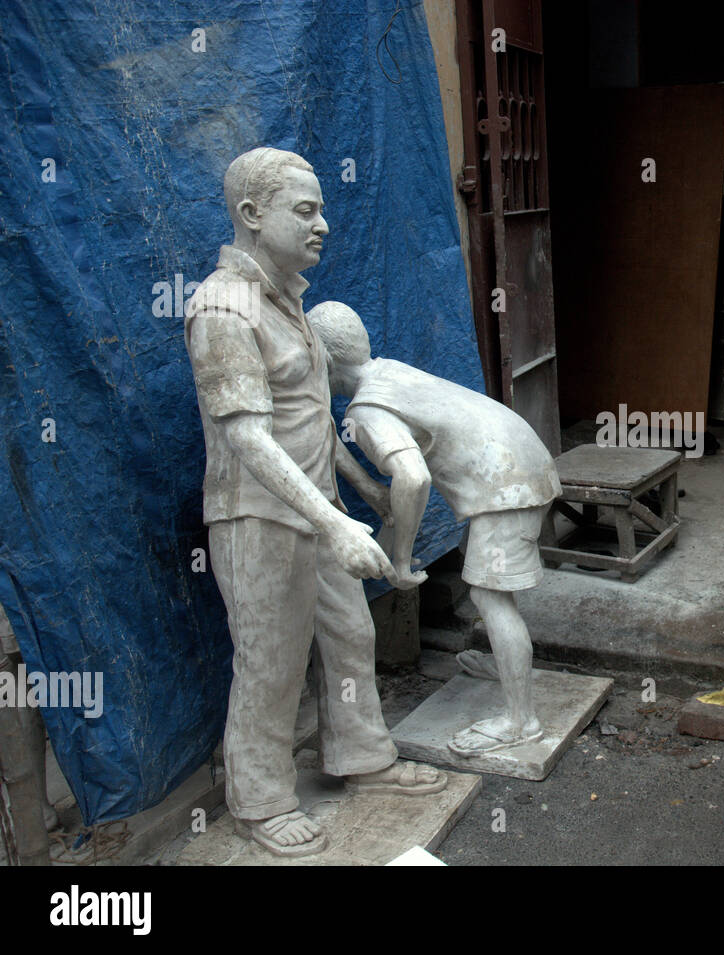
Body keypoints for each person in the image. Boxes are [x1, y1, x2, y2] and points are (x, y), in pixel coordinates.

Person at [184, 147, 445, 858]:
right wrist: (332, 521)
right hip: (259, 517)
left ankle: (363, 759)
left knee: (350, 637)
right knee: (272, 662)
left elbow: (308, 418)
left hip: (317, 509)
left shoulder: (290, 297)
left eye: (322, 209)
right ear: (250, 214)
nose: (323, 224)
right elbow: (247, 437)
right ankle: (261, 801)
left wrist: (362, 491)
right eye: (305, 211)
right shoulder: (221, 306)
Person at [306, 300, 561, 756]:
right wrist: (370, 491)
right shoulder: (386, 372)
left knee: (490, 595)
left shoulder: (365, 410)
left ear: (321, 359)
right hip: (519, 461)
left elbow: (412, 478)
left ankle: (522, 721)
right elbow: (334, 439)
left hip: (504, 484)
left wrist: (401, 561)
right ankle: (509, 666)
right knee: (492, 587)